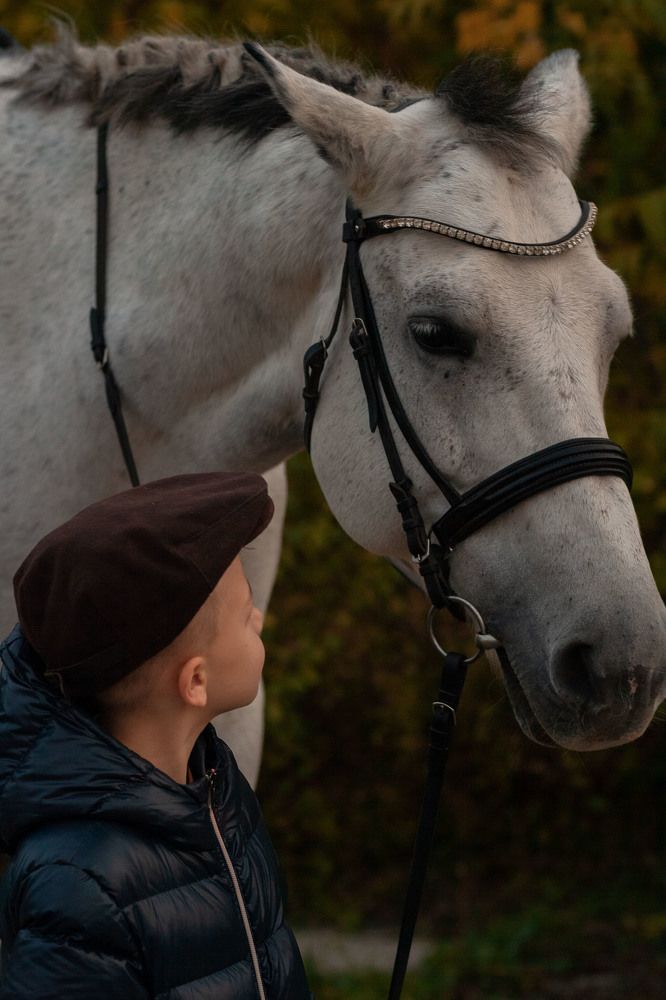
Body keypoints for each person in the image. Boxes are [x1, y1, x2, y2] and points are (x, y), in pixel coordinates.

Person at [0, 472, 312, 999]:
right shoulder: (76, 888)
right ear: (195, 681)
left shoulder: (217, 793)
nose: (258, 618)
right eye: (244, 614)